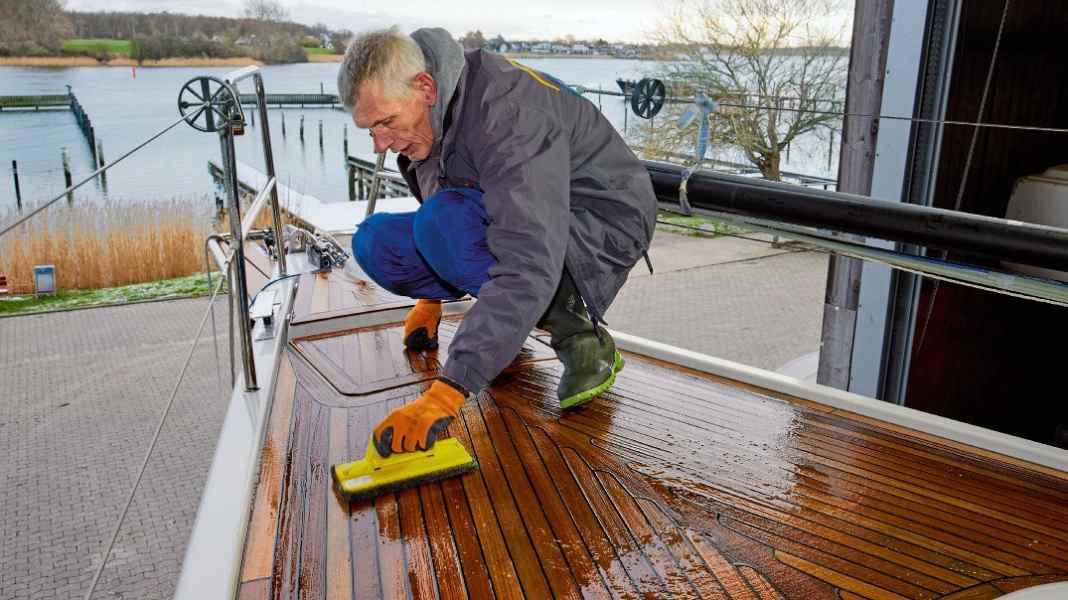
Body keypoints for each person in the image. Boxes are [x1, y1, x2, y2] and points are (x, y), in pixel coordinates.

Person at [337, 27, 657, 457]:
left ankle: (577, 331)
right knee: (374, 240)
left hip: (600, 219)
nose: (379, 144)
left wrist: (447, 393)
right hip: (522, 218)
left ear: (425, 88)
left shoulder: (509, 112)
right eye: (369, 129)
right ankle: (505, 327)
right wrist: (430, 299)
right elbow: (444, 200)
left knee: (443, 225)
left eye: (386, 123)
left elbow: (526, 259)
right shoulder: (431, 114)